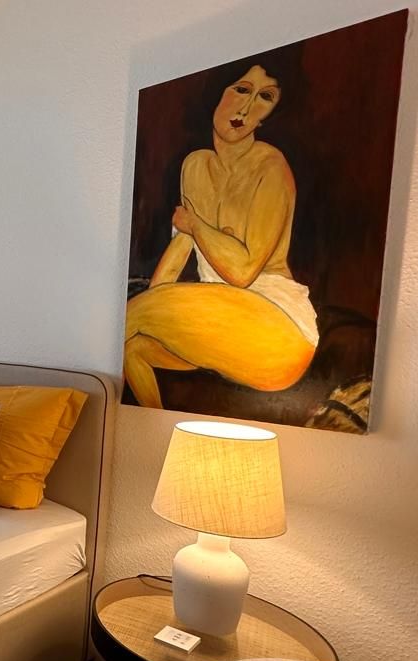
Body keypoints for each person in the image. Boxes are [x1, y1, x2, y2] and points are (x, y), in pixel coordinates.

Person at [124, 64, 318, 409]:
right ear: (216, 93)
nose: (246, 108)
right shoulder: (195, 166)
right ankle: (151, 429)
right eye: (242, 89)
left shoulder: (270, 167)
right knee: (132, 349)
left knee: (133, 316)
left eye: (265, 97)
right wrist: (157, 308)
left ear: (269, 115)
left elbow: (242, 273)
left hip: (279, 330)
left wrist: (197, 225)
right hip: (219, 320)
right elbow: (181, 247)